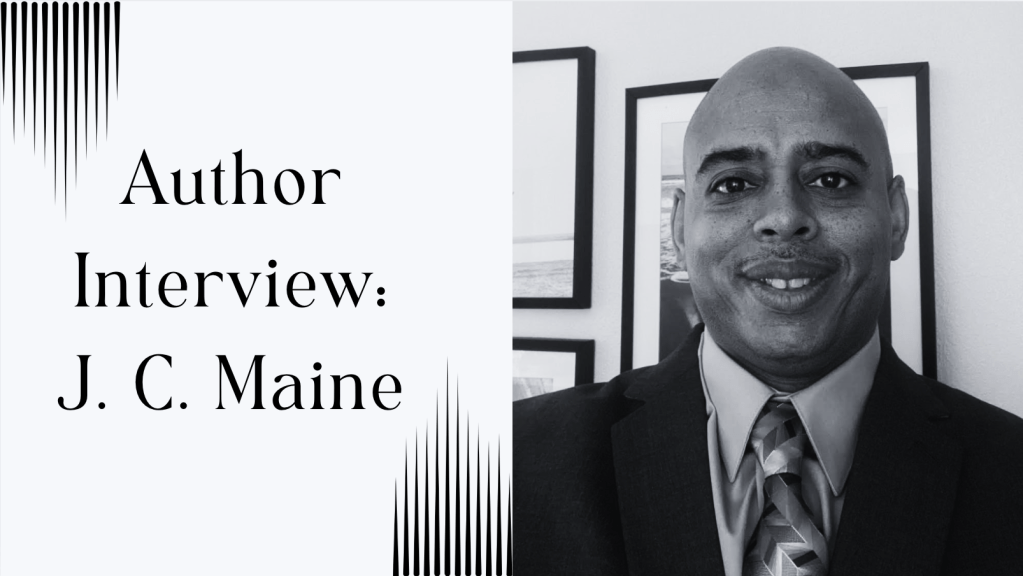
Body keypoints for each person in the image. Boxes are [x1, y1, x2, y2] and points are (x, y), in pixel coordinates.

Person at [513, 47, 1023, 576]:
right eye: (734, 184)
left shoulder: (1011, 474)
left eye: (831, 179)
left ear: (895, 218)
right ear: (680, 229)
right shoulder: (507, 468)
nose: (783, 217)